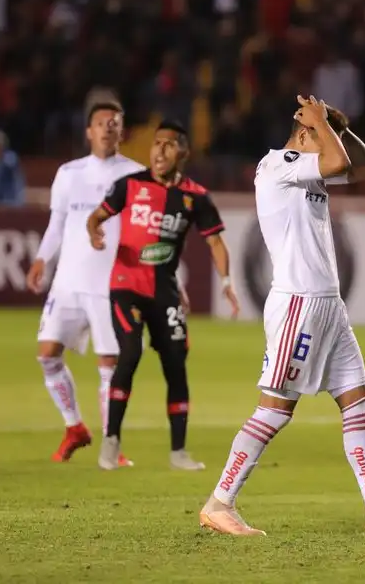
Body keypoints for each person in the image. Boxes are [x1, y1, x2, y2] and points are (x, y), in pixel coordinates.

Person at [198, 95, 365, 538]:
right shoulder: (280, 164)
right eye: (322, 132)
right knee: (275, 409)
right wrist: (323, 126)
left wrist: (336, 127)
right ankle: (219, 502)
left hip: (329, 306)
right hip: (299, 303)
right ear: (304, 132)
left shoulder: (310, 167)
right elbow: (335, 162)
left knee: (359, 403)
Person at [86, 119, 240, 471]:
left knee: (176, 366)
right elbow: (96, 217)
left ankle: (178, 452)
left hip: (165, 292)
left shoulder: (195, 197)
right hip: (126, 286)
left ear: (183, 152)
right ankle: (111, 442)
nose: (159, 150)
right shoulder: (129, 185)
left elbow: (215, 241)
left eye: (169, 145)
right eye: (156, 144)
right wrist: (95, 232)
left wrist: (227, 282)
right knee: (129, 353)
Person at [26, 100, 143, 466]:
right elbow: (57, 225)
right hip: (68, 282)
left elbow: (145, 232)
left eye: (114, 122)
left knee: (109, 364)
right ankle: (74, 426)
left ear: (122, 131)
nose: (108, 127)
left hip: (112, 285)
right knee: (47, 354)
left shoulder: (137, 176)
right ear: (89, 131)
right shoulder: (69, 173)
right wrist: (42, 258)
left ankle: (111, 445)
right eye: (101, 122)